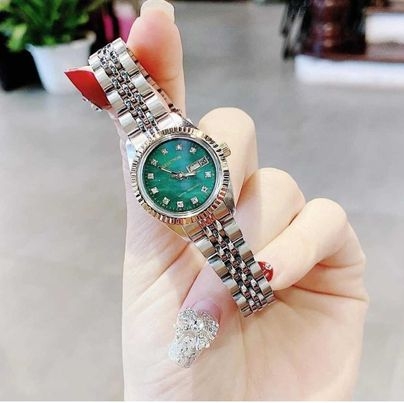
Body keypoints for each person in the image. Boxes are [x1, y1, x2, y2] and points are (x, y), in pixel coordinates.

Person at [73, 0, 368, 399]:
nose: (181, 174)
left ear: (216, 156)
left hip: (208, 204)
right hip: (188, 212)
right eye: (171, 175)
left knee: (253, 190)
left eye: (190, 166)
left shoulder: (189, 162)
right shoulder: (152, 172)